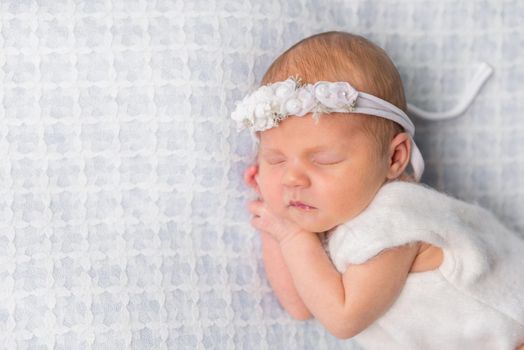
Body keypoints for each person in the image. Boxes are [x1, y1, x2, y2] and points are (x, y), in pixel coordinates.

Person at [230, 31, 524, 349]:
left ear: (394, 158)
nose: (293, 179)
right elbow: (302, 305)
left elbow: (343, 318)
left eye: (324, 160)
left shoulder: (396, 214)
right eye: (275, 160)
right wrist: (276, 225)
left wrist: (291, 236)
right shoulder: (336, 215)